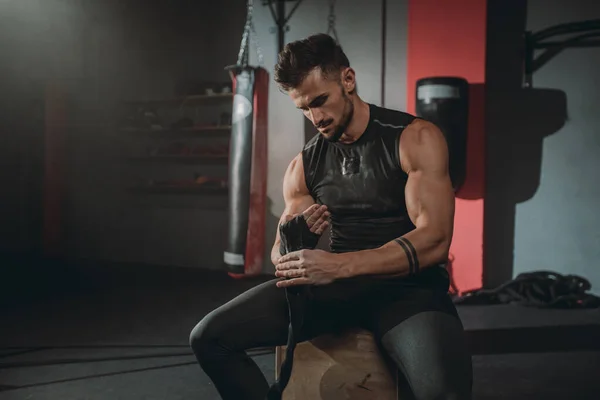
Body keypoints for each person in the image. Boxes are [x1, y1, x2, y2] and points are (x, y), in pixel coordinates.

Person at [189, 33, 473, 400]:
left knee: (445, 394)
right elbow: (280, 252)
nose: (315, 117)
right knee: (210, 338)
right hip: (336, 288)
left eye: (321, 101)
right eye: (304, 108)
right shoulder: (305, 163)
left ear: (348, 81)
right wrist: (295, 243)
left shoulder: (414, 138)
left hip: (407, 291)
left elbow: (434, 240)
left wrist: (338, 266)